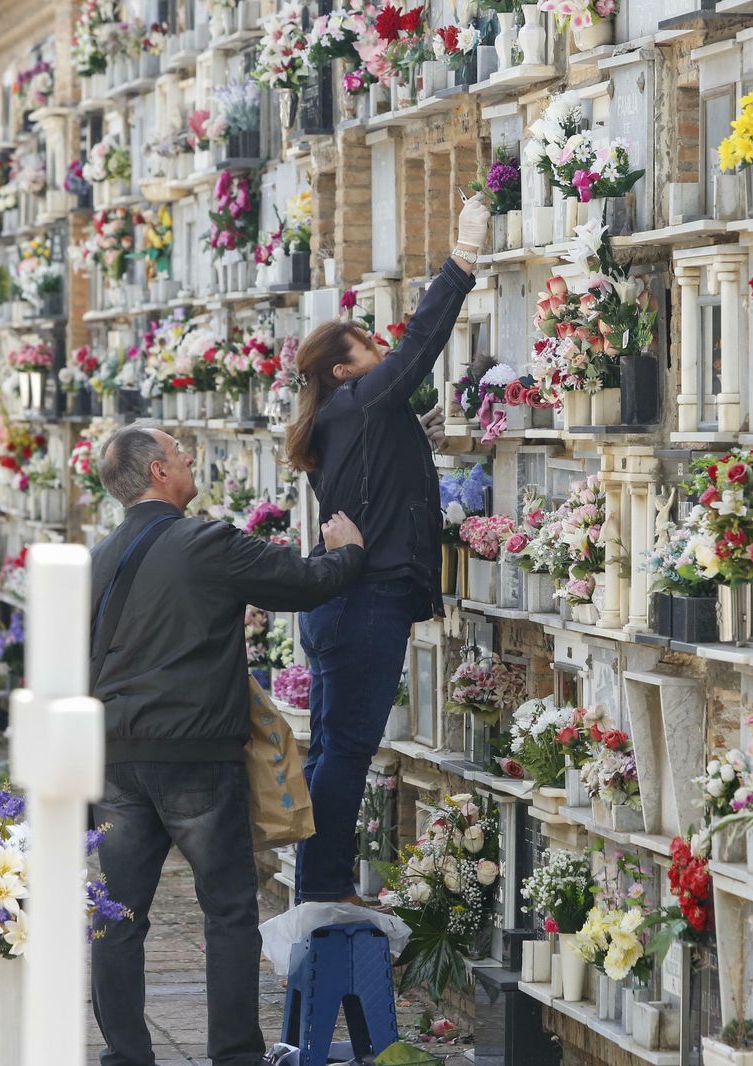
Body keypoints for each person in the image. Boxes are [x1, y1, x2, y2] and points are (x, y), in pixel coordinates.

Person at [87, 423, 367, 1066]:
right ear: (159, 472)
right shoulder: (203, 541)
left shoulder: (97, 558)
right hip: (194, 758)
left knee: (118, 915)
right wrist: (347, 552)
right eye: (183, 456)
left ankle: (126, 1056)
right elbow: (301, 583)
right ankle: (235, 1055)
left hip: (115, 759)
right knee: (229, 910)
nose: (191, 463)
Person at [284, 193, 491, 904]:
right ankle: (327, 891)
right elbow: (420, 346)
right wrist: (461, 261)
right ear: (344, 371)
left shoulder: (343, 419)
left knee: (333, 749)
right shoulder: (361, 399)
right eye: (367, 350)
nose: (381, 354)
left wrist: (413, 441)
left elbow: (376, 479)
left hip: (340, 606)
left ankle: (320, 886)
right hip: (363, 605)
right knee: (345, 751)